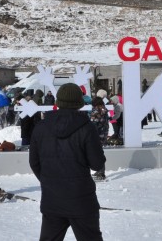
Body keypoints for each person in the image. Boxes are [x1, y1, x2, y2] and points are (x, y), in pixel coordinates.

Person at [29, 83, 106, 240]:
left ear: (57, 102)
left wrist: (49, 180)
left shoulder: (41, 127)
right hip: (81, 199)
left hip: (52, 199)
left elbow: (34, 162)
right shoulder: (87, 127)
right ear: (79, 102)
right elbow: (97, 164)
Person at [90, 91, 110, 182]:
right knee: (99, 152)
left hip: (97, 134)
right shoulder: (104, 109)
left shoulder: (96, 111)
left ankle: (101, 172)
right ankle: (100, 171)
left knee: (98, 153)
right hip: (103, 133)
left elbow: (93, 124)